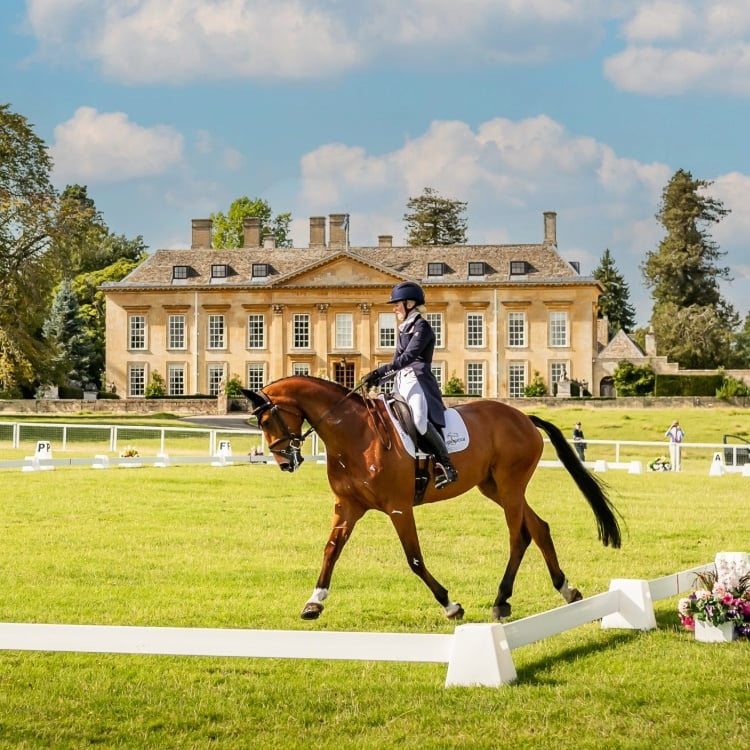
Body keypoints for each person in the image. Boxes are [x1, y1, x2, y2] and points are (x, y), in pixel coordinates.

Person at [363, 281, 458, 489]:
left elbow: (408, 358)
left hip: (418, 381)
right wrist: (378, 380)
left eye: (397, 304)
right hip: (401, 382)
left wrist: (379, 371)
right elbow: (397, 361)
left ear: (410, 303)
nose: (395, 308)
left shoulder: (421, 327)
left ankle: (447, 465)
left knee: (418, 420)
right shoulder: (403, 328)